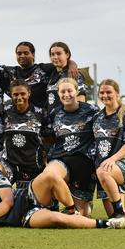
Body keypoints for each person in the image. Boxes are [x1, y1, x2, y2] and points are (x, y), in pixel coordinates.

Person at [0, 151, 125, 229]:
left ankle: (73, 211)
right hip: (22, 218)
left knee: (49, 176)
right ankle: (108, 224)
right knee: (57, 218)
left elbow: (8, 201)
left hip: (25, 198)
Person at [41, 78, 99, 216]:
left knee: (84, 215)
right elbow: (49, 138)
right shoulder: (54, 113)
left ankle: (83, 205)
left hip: (84, 163)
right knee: (49, 175)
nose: (66, 94)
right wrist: (45, 156)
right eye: (62, 91)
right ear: (58, 94)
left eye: (69, 90)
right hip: (61, 159)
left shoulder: (91, 110)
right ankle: (63, 206)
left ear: (77, 91)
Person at [93, 79, 125, 220]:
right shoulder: (97, 117)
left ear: (117, 94)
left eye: (109, 92)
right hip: (104, 165)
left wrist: (112, 159)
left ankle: (119, 212)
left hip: (124, 163)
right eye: (102, 92)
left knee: (103, 171)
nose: (105, 95)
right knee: (111, 214)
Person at [2, 80, 51, 188]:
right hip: (9, 164)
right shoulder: (4, 112)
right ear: (11, 95)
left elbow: (49, 138)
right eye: (15, 94)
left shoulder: (40, 113)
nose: (19, 97)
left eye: (23, 94)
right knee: (0, 193)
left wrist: (46, 158)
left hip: (33, 166)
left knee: (30, 201)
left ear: (29, 93)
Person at [3, 42, 77, 109]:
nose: (22, 56)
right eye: (19, 53)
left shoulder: (44, 69)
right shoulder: (11, 72)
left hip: (42, 116)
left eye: (26, 53)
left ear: (33, 55)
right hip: (19, 116)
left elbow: (61, 62)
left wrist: (72, 64)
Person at [46, 42, 86, 112]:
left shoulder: (73, 73)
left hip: (67, 120)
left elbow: (81, 102)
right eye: (52, 54)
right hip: (52, 120)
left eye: (59, 54)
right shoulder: (52, 73)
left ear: (67, 55)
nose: (55, 57)